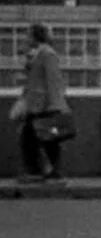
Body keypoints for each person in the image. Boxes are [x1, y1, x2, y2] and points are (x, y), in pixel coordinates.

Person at [16, 24, 72, 182]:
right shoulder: (38, 54)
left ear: (35, 36)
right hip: (37, 104)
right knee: (35, 139)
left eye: (28, 35)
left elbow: (53, 80)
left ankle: (46, 172)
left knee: (46, 140)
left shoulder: (47, 54)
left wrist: (56, 105)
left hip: (45, 105)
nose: (26, 38)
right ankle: (43, 171)